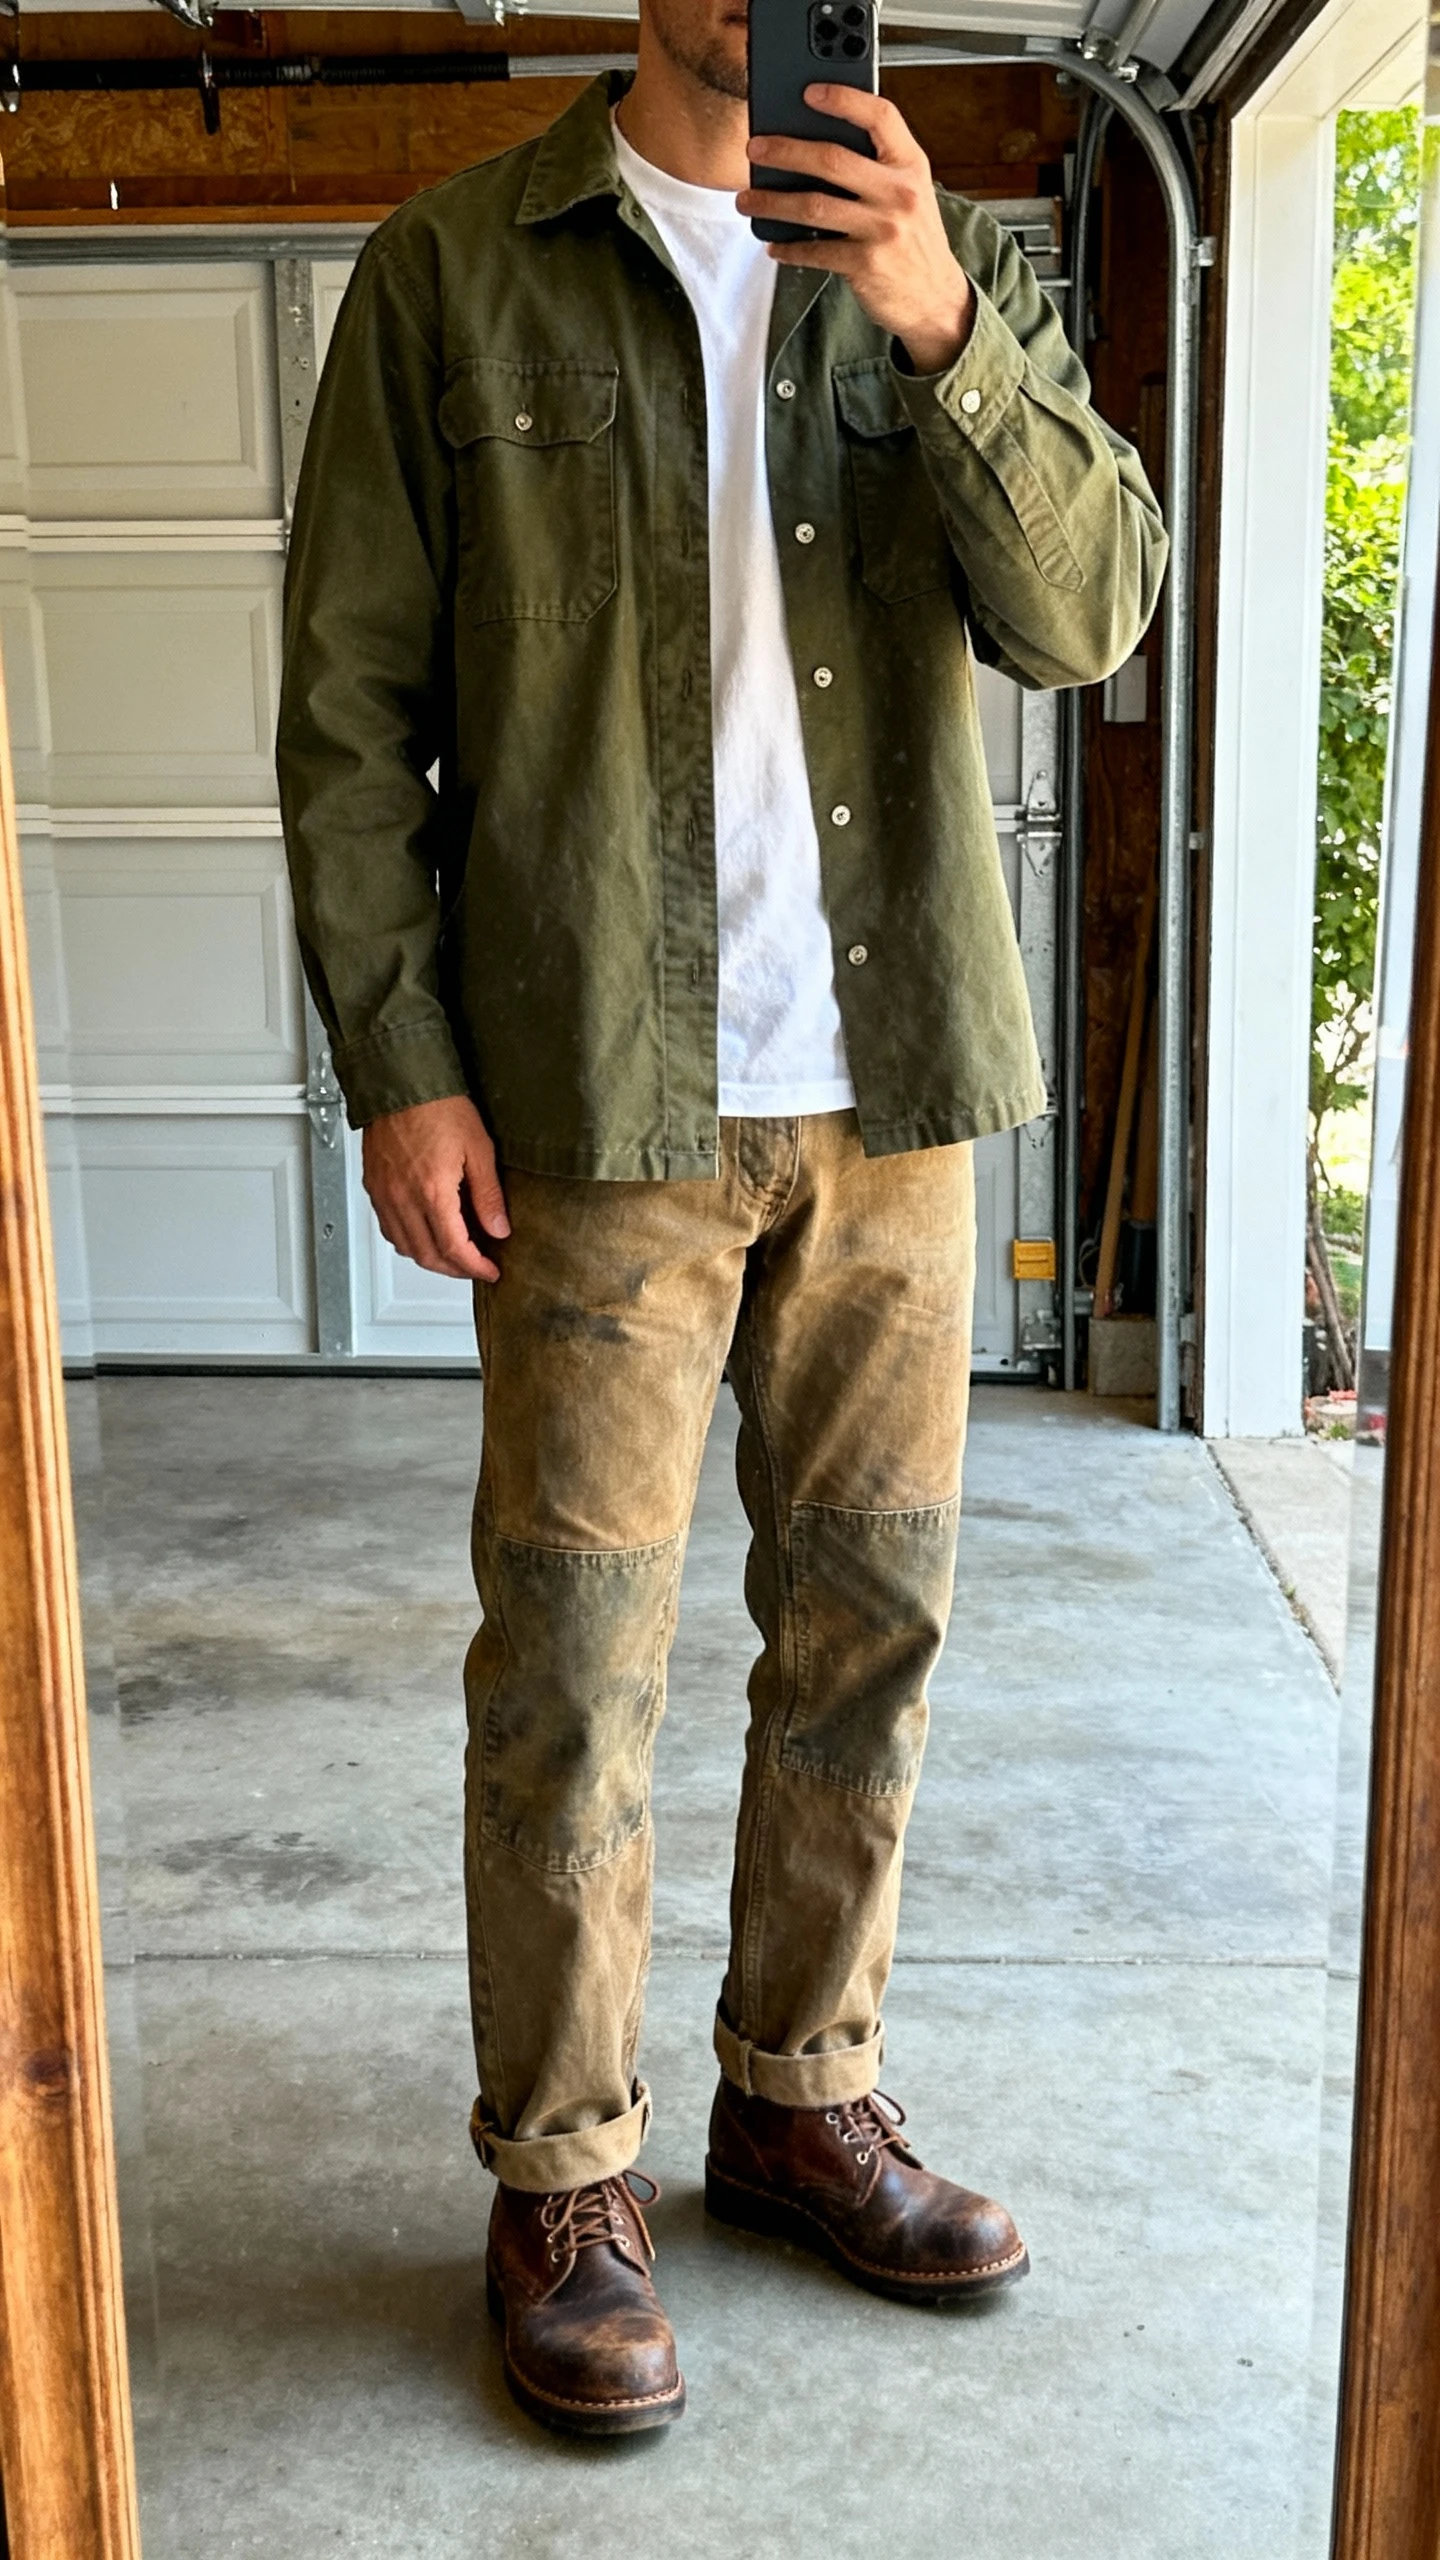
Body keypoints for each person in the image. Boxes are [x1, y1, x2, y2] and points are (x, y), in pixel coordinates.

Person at [277, 0, 1167, 2441]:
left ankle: (797, 2092)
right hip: (591, 1095)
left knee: (868, 1625)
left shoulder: (951, 256)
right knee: (573, 1661)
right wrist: (405, 1057)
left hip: (887, 1105)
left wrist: (946, 329)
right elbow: (352, 705)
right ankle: (562, 2173)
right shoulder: (456, 275)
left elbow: (1094, 615)